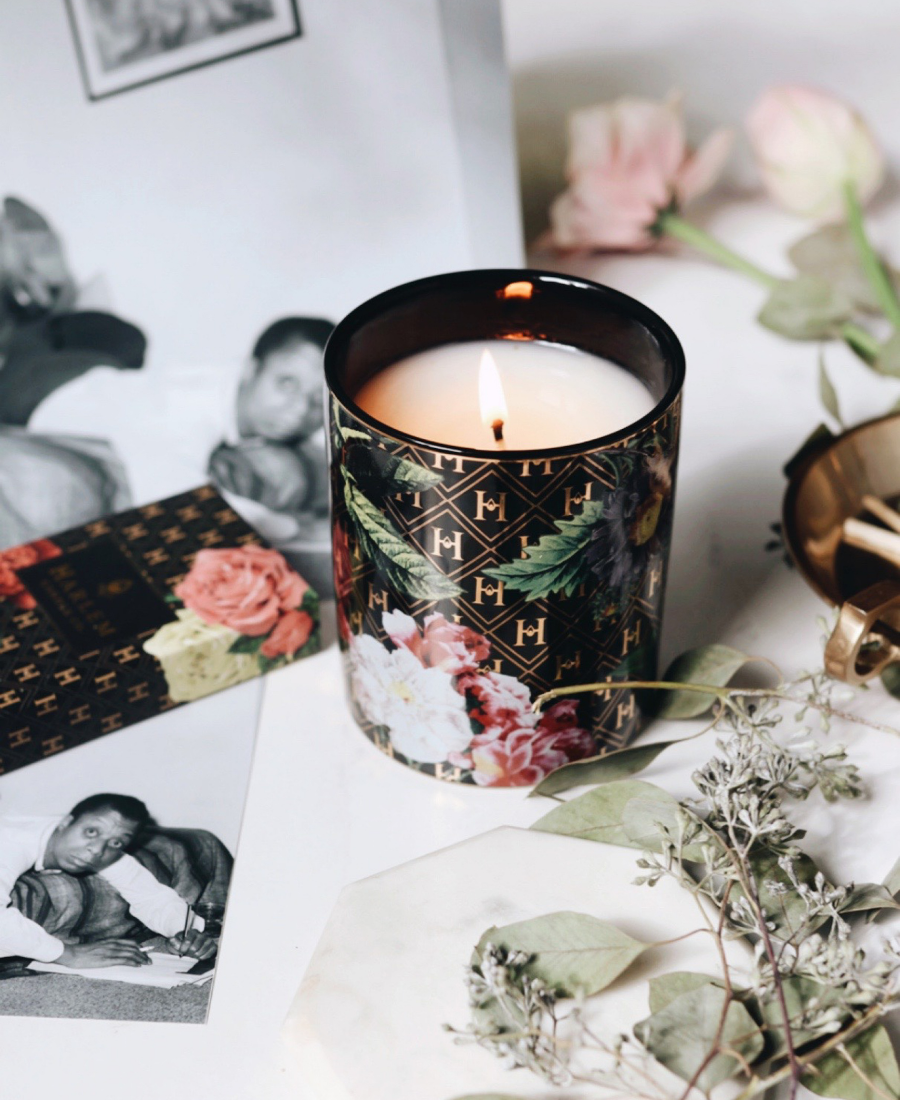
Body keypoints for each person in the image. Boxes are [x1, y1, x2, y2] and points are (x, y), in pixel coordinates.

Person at [0, 793, 216, 968]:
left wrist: (185, 932)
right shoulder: (12, 843)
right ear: (65, 822)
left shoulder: (101, 849)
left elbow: (150, 895)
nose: (96, 850)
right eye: (91, 832)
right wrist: (67, 954)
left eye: (115, 843)